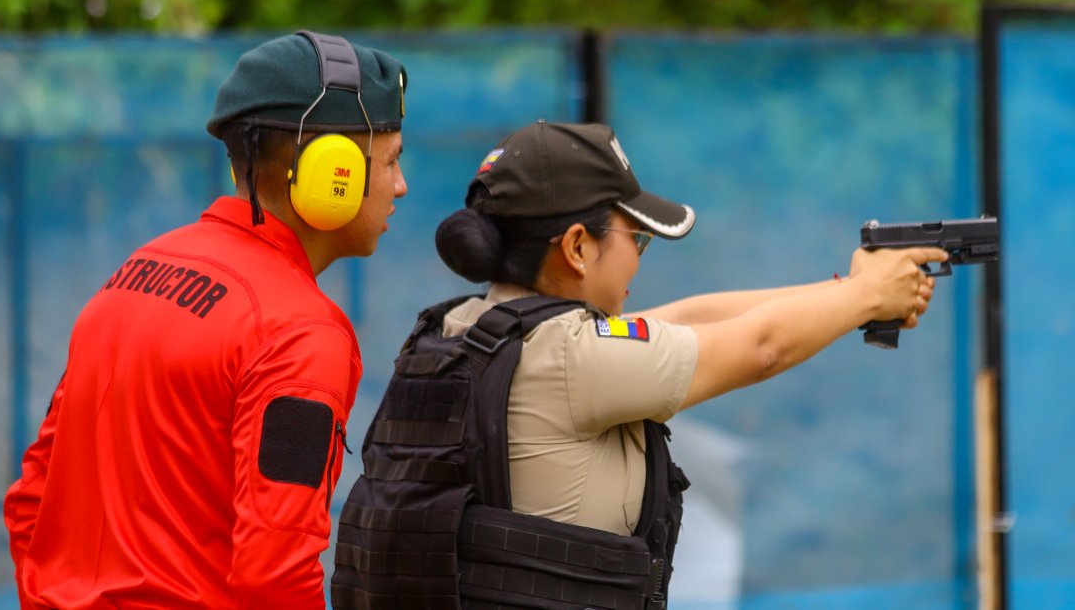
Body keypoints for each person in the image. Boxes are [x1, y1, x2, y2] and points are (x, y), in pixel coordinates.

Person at [333, 120, 946, 608]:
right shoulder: (577, 357)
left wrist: (848, 289)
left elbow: (691, 317)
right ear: (577, 247)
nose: (638, 260)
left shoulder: (467, 329)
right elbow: (761, 348)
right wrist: (867, 297)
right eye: (636, 239)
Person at [3, 31, 409, 609]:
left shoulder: (131, 277)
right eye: (390, 160)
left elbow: (30, 501)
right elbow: (277, 575)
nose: (400, 185)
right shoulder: (298, 333)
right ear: (330, 171)